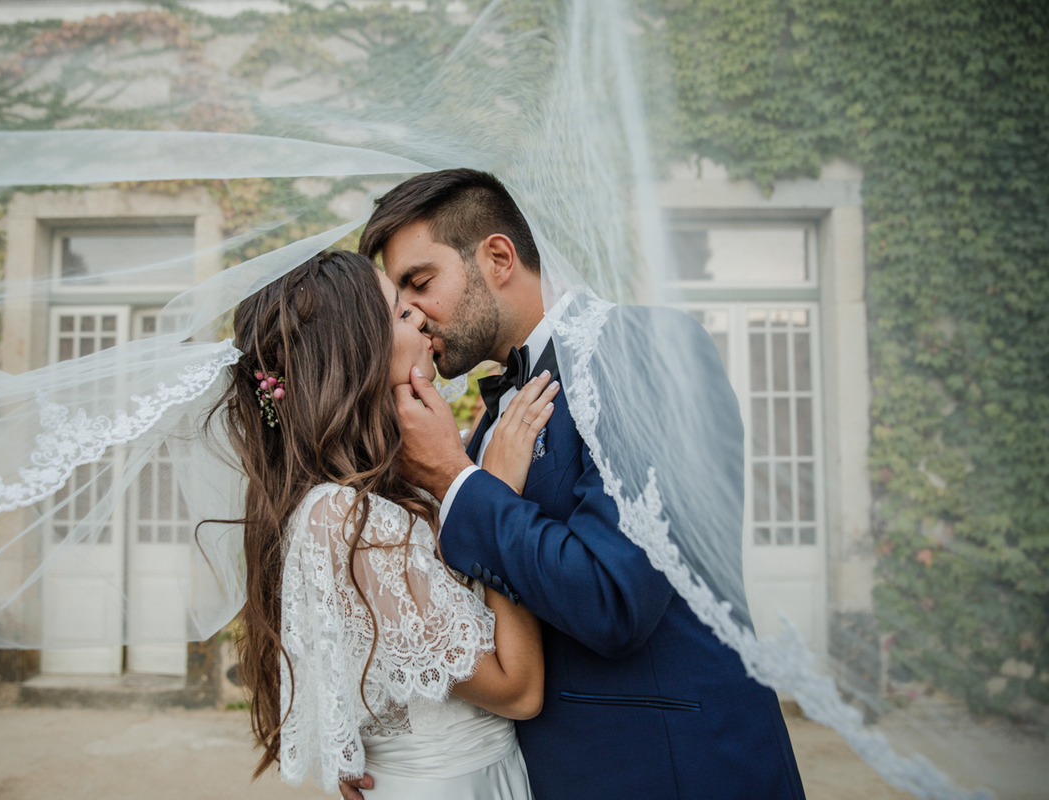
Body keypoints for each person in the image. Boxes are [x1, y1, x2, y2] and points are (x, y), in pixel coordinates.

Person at [340, 168, 807, 800]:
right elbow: (471, 615)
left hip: (671, 773)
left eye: (420, 283)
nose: (411, 314)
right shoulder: (486, 425)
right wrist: (392, 735)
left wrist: (456, 480)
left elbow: (615, 598)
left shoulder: (645, 349)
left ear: (498, 257)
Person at [209, 249, 560, 799]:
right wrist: (494, 497)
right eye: (399, 314)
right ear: (357, 355)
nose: (419, 316)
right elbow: (518, 691)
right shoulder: (344, 516)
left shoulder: (393, 487)